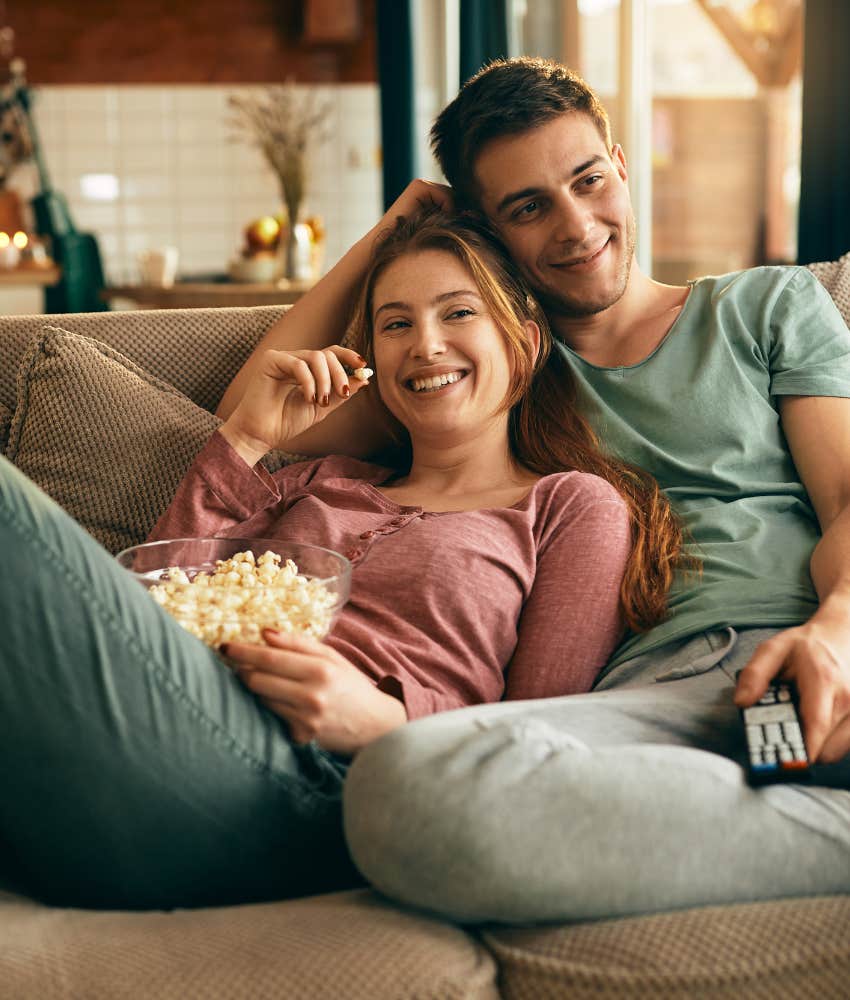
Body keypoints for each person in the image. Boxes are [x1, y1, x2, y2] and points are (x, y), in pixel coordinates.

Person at [218, 58, 850, 924]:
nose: (576, 224)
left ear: (620, 167)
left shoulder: (766, 305)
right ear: (488, 232)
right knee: (404, 785)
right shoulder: (492, 366)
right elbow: (263, 411)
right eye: (527, 207)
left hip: (806, 647)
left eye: (588, 181)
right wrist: (398, 234)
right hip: (642, 708)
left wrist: (835, 635)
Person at [0, 208, 686, 911]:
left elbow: (543, 739)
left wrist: (386, 726)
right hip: (166, 720)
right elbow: (162, 585)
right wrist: (248, 434)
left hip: (316, 785)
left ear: (527, 344)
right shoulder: (324, 478)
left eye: (457, 314)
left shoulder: (570, 508)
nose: (424, 345)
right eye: (395, 324)